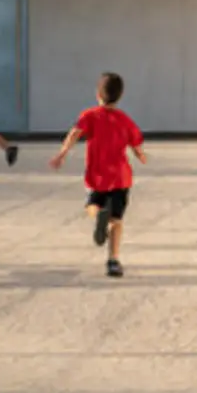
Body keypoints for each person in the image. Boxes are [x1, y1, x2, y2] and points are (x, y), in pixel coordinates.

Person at [50, 71, 147, 279]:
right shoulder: (125, 119)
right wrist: (141, 156)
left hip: (97, 177)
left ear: (98, 94)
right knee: (117, 220)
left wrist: (62, 154)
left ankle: (97, 214)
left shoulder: (90, 115)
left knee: (92, 204)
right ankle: (113, 260)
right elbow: (136, 144)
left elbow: (74, 133)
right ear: (120, 96)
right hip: (121, 177)